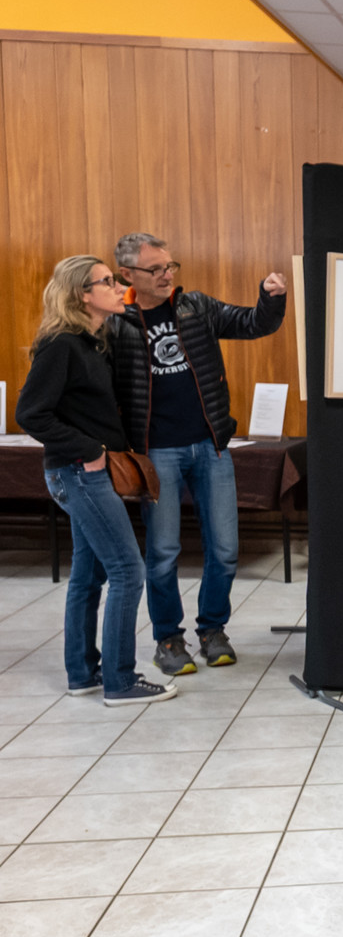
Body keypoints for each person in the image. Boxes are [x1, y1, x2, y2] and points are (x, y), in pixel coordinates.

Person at [108, 233, 287, 676]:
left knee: (225, 548)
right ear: (128, 274)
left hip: (211, 446)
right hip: (157, 453)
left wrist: (270, 299)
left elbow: (252, 324)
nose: (167, 275)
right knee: (164, 551)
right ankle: (168, 638)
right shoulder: (118, 324)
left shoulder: (196, 307)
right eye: (156, 269)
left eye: (171, 266)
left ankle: (212, 631)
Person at [16, 256, 178, 706]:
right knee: (128, 570)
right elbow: (30, 413)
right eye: (106, 282)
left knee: (88, 576)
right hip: (78, 474)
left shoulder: (93, 341)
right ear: (82, 294)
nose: (116, 287)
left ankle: (83, 673)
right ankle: (121, 681)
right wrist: (88, 451)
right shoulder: (61, 345)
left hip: (88, 474)